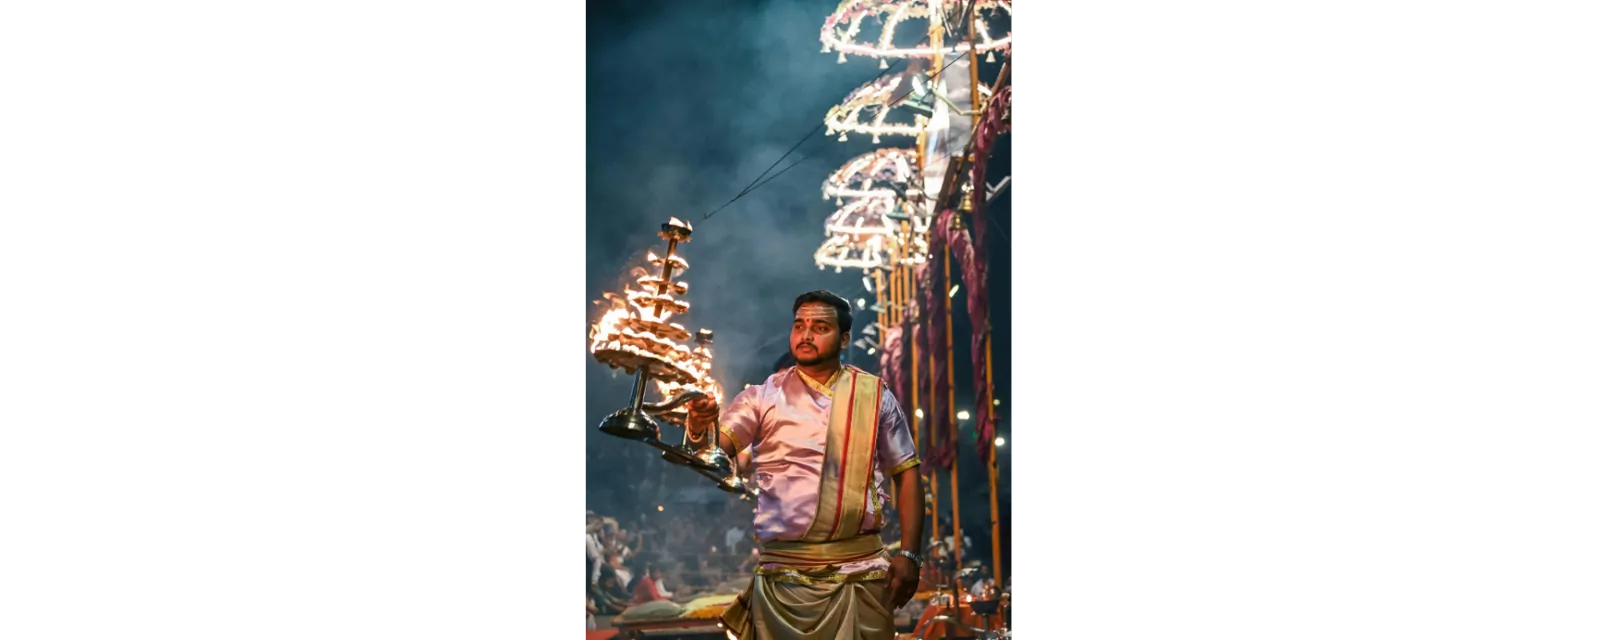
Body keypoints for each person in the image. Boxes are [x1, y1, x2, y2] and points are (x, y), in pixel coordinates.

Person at [684, 290, 925, 640]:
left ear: (844, 338)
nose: (806, 335)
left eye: (820, 327)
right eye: (799, 325)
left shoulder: (874, 395)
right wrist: (698, 425)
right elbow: (714, 450)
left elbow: (907, 472)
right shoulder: (761, 396)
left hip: (861, 575)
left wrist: (909, 554)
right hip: (783, 581)